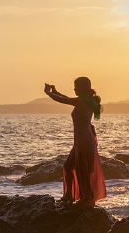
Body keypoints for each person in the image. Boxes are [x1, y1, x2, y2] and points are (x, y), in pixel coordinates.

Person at [43, 76, 107, 208]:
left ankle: (87, 198)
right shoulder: (86, 100)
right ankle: (69, 195)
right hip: (82, 138)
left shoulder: (82, 101)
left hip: (84, 138)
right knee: (68, 166)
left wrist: (48, 93)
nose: (74, 89)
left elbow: (63, 100)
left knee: (82, 170)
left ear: (82, 87)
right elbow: (68, 99)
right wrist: (55, 91)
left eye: (76, 86)